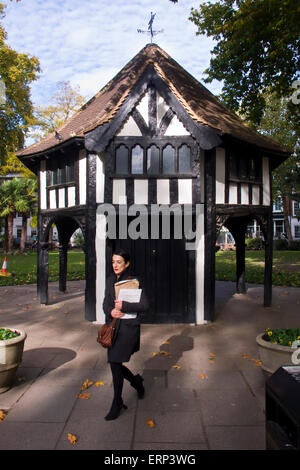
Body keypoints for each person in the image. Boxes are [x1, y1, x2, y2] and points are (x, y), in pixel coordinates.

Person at [102, 248, 149, 421]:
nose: (115, 265)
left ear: (127, 264)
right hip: (113, 327)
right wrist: (111, 311)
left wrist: (124, 306)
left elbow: (144, 306)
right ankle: (136, 382)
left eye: (119, 262)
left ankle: (117, 402)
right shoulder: (109, 280)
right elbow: (105, 304)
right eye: (113, 262)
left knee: (114, 362)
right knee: (115, 363)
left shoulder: (135, 281)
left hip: (128, 328)